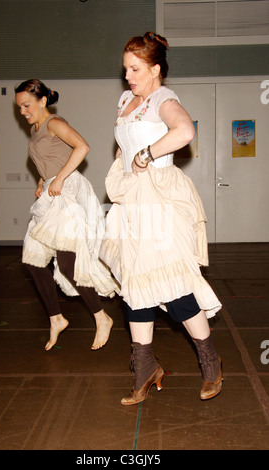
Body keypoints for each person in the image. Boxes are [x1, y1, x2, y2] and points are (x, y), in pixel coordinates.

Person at [100, 32, 223, 405]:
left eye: (136, 69)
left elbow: (185, 132)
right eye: (125, 70)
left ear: (155, 69)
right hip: (131, 202)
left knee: (173, 286)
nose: (129, 77)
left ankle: (210, 361)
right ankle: (144, 368)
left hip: (158, 199)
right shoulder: (126, 100)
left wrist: (147, 154)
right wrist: (126, 165)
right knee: (136, 286)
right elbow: (123, 144)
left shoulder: (164, 99)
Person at [15, 79, 118, 351]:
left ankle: (101, 317)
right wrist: (42, 180)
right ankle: (56, 318)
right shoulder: (36, 129)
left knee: (68, 264)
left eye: (26, 105)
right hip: (51, 192)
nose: (23, 111)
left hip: (67, 192)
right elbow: (48, 160)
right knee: (33, 261)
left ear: (42, 101)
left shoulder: (53, 123)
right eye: (19, 108)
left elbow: (82, 147)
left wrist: (59, 178)